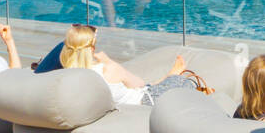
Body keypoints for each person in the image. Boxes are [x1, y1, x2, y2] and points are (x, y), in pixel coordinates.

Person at [58, 23, 190, 106]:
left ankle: (167, 77)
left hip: (125, 101)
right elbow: (140, 84)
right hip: (145, 101)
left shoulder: (67, 73)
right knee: (183, 81)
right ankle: (171, 76)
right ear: (92, 49)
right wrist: (108, 61)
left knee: (152, 85)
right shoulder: (107, 69)